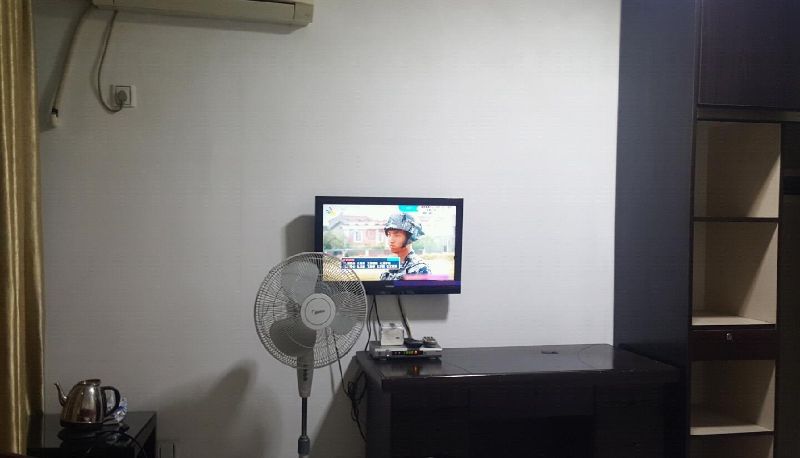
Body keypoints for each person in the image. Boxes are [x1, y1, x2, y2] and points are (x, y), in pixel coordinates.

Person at [379, 213, 430, 280]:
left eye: (397, 235)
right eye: (389, 234)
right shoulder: (390, 267)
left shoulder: (420, 268)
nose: (391, 240)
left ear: (410, 237)